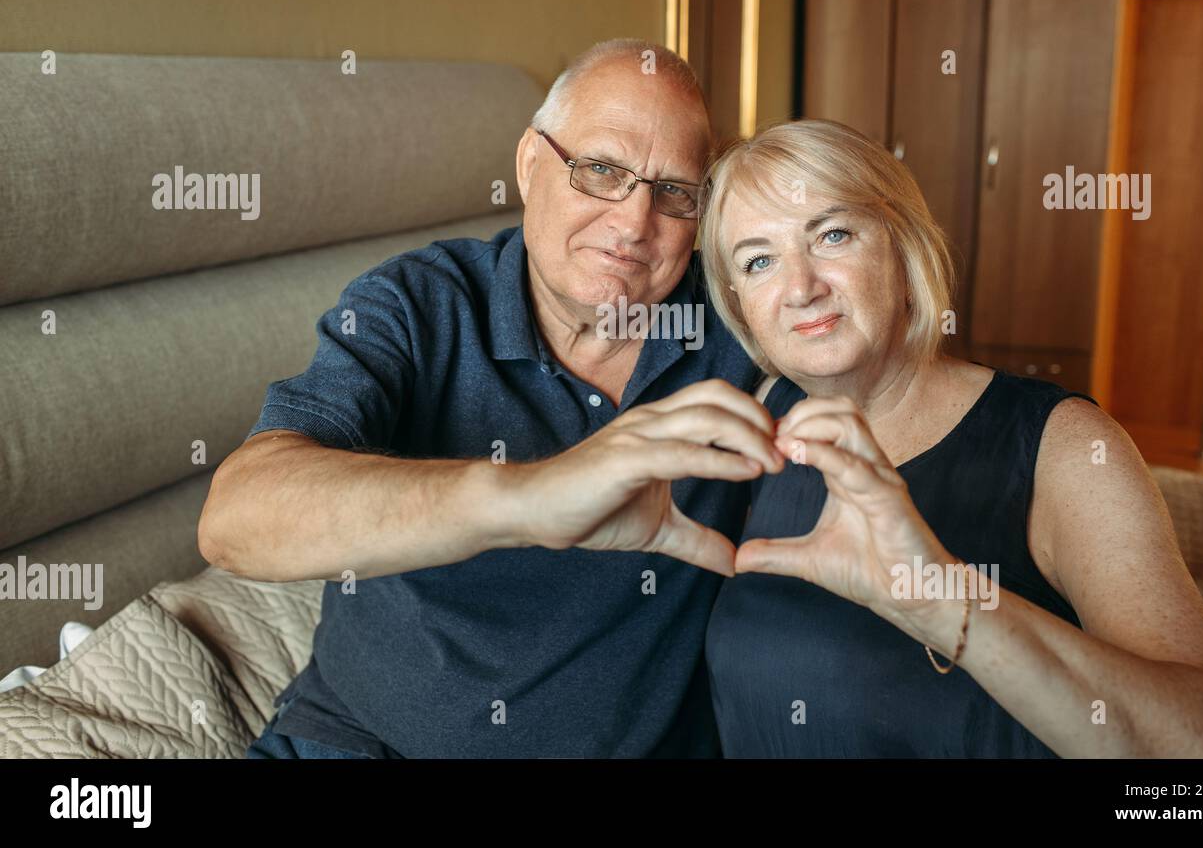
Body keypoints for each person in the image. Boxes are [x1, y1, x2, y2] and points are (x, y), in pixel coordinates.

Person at [199, 38, 787, 758]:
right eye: (601, 171)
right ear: (530, 165)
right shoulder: (419, 303)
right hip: (362, 740)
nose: (635, 223)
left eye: (674, 193)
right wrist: (525, 500)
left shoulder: (740, 320)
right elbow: (235, 520)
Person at [698, 118, 1203, 757]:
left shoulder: (1065, 445)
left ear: (902, 247)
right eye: (759, 260)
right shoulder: (755, 425)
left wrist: (945, 600)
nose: (801, 286)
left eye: (833, 234)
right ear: (738, 301)